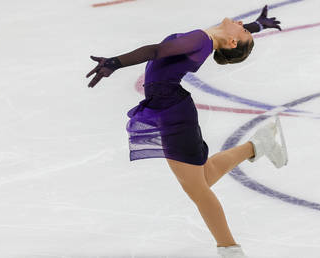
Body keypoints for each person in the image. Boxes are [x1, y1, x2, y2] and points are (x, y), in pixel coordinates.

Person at [86, 5, 285, 258]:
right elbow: (232, 37)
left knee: (198, 189)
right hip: (172, 109)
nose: (241, 22)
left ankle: (229, 249)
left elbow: (156, 51)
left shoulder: (202, 40)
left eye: (243, 28)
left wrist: (115, 62)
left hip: (173, 113)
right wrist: (257, 26)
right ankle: (258, 144)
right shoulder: (209, 38)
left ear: (232, 40)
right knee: (203, 177)